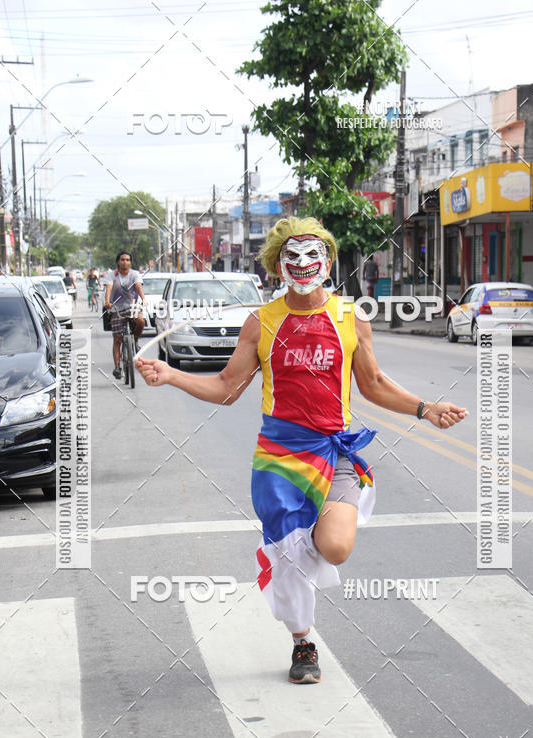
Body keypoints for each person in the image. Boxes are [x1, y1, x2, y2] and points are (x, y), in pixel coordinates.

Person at [136, 217, 466, 684]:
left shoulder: (350, 318)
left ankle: (295, 550)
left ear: (328, 262)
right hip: (279, 458)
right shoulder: (261, 322)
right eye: (292, 257)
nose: (304, 264)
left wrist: (424, 408)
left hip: (335, 451)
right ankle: (302, 642)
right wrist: (172, 376)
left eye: (314, 256)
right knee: (290, 551)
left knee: (334, 547)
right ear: (277, 267)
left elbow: (371, 384)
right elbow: (228, 388)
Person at [104, 251, 146, 379]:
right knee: (117, 338)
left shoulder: (135, 274)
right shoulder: (112, 275)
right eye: (122, 260)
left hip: (132, 307)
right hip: (116, 309)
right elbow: (109, 288)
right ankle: (117, 367)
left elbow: (138, 287)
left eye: (127, 260)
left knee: (141, 321)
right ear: (118, 262)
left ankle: (135, 340)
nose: (125, 262)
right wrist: (107, 302)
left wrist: (143, 298)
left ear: (130, 262)